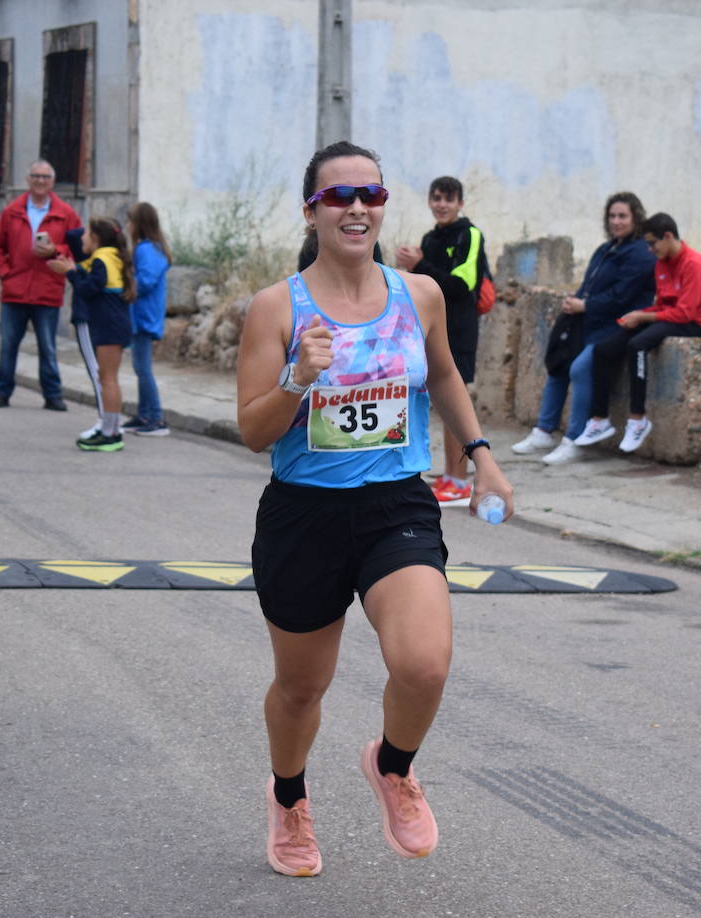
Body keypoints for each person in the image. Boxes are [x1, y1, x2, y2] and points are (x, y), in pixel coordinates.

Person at [237, 141, 513, 877]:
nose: (357, 207)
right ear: (312, 212)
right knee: (302, 688)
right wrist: (297, 378)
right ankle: (289, 797)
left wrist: (482, 458)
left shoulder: (419, 295)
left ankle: (393, 765)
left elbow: (444, 375)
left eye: (371, 194)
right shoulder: (276, 308)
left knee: (424, 666)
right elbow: (253, 431)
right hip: (304, 513)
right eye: (339, 196)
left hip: (396, 504)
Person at [511, 192, 655, 465]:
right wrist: (574, 301)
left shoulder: (640, 254)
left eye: (622, 216)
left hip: (617, 326)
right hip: (588, 322)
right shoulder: (606, 249)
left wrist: (585, 305)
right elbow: (589, 285)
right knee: (558, 365)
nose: (616, 221)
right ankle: (544, 431)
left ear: (636, 218)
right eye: (612, 216)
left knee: (580, 368)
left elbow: (622, 296)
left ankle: (575, 440)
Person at [575, 212, 701, 453]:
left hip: (689, 323)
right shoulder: (662, 263)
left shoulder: (694, 264)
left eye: (652, 243)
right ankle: (599, 419)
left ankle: (637, 419)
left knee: (637, 345)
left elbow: (685, 313)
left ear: (668, 237)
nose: (649, 250)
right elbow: (661, 306)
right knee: (604, 348)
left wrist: (643, 317)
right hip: (666, 317)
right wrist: (637, 315)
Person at [394, 176, 490, 506]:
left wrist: (419, 264)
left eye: (449, 199)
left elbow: (462, 285)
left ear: (460, 203)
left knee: (454, 402)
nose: (442, 204)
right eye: (436, 198)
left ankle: (459, 480)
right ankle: (449, 475)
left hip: (460, 330)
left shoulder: (470, 234)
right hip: (432, 331)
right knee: (438, 402)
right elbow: (423, 286)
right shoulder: (429, 238)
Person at [0, 160, 82, 410]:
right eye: (36, 176)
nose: (40, 181)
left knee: (48, 347)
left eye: (45, 177)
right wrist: (6, 274)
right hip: (14, 291)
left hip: (47, 290)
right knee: (8, 345)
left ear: (52, 182)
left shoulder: (66, 214)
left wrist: (55, 250)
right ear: (28, 180)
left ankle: (53, 395)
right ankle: (2, 392)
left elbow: (78, 249)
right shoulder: (12, 211)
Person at [49, 217, 135, 451]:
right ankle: (111, 429)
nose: (82, 238)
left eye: (86, 234)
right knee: (107, 378)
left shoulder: (101, 259)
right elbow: (90, 276)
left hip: (109, 325)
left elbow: (88, 289)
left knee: (108, 380)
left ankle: (110, 434)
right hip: (114, 324)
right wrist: (71, 268)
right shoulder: (110, 256)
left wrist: (70, 273)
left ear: (96, 238)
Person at [121, 202, 170, 436]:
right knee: (140, 368)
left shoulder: (146, 249)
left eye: (130, 221)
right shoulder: (152, 248)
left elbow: (146, 281)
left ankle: (155, 418)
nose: (127, 225)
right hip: (145, 316)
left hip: (143, 317)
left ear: (139, 223)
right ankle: (144, 414)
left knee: (143, 369)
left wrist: (125, 287)